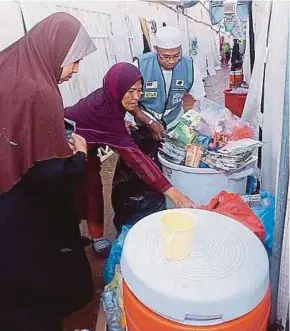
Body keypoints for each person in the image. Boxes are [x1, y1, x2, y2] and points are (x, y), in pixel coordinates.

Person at [0, 12, 96, 330]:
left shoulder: (10, 62)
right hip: (20, 203)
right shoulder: (40, 92)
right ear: (54, 49)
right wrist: (78, 158)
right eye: (73, 61)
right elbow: (47, 176)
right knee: (29, 275)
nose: (75, 70)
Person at [65, 63, 195, 253]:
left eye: (140, 91)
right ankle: (70, 239)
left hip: (88, 149)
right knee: (73, 193)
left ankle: (95, 236)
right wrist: (174, 194)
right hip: (66, 145)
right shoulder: (103, 111)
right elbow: (137, 160)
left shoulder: (110, 99)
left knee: (93, 188)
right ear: (116, 89)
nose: (137, 97)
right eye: (131, 91)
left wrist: (146, 121)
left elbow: (131, 108)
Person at [127, 25, 206, 138]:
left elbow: (199, 100)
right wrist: (149, 122)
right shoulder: (140, 66)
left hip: (174, 124)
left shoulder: (190, 67)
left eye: (176, 56)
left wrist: (193, 122)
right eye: (165, 56)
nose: (171, 61)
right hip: (143, 124)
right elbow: (127, 101)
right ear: (156, 50)